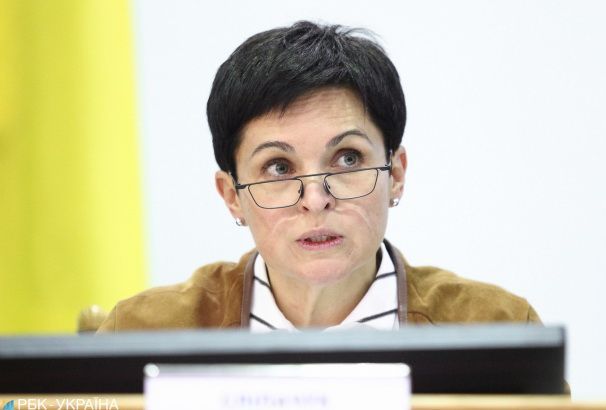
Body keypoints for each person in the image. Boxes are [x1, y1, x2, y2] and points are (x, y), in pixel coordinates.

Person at [97, 21, 539, 333]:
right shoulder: (141, 333)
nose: (314, 199)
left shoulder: (496, 329)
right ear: (231, 195)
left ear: (396, 173)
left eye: (347, 159)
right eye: (278, 167)